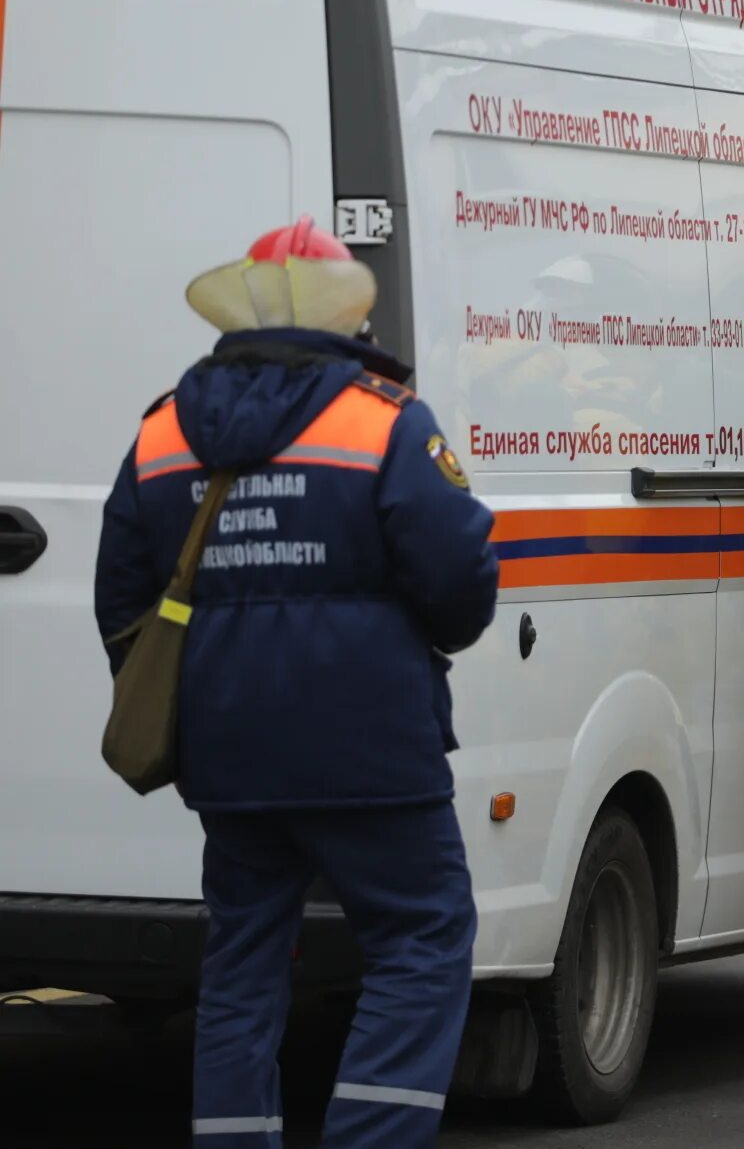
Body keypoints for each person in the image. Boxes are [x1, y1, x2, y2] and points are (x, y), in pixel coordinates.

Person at [94, 218, 499, 1148]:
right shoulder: (383, 418)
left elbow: (121, 599)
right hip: (374, 750)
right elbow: (459, 581)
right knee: (422, 941)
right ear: (344, 312)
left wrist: (192, 692)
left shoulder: (162, 431)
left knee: (242, 961)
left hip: (230, 755)